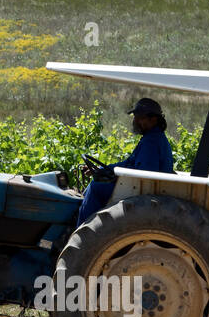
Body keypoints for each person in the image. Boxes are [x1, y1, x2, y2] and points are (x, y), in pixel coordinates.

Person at [75, 97, 176, 227]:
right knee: (95, 183)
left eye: (140, 117)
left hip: (142, 191)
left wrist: (114, 174)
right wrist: (104, 170)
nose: (135, 121)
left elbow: (144, 175)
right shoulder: (152, 138)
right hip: (139, 185)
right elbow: (128, 164)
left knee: (96, 187)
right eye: (135, 117)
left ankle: (80, 230)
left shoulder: (152, 142)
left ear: (154, 119)